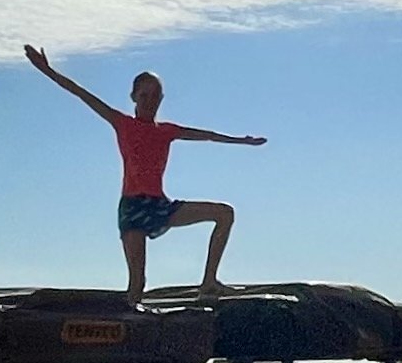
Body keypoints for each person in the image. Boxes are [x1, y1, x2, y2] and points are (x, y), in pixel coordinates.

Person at [23, 44, 265, 296]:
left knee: (224, 213)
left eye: (155, 95)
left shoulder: (167, 131)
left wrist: (241, 141)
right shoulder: (122, 123)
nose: (150, 101)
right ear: (134, 97)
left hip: (160, 205)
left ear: (161, 99)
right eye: (144, 95)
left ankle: (209, 281)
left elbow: (208, 136)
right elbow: (81, 93)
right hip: (133, 208)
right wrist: (46, 70)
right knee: (137, 283)